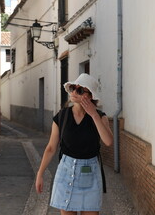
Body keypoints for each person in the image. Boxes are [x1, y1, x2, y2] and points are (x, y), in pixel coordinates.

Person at [35, 73, 113, 215]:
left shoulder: (100, 117)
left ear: (90, 96)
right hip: (65, 172)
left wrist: (93, 114)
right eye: (73, 88)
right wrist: (40, 174)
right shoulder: (62, 116)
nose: (74, 92)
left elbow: (108, 141)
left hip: (90, 173)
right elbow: (51, 148)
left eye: (80, 90)